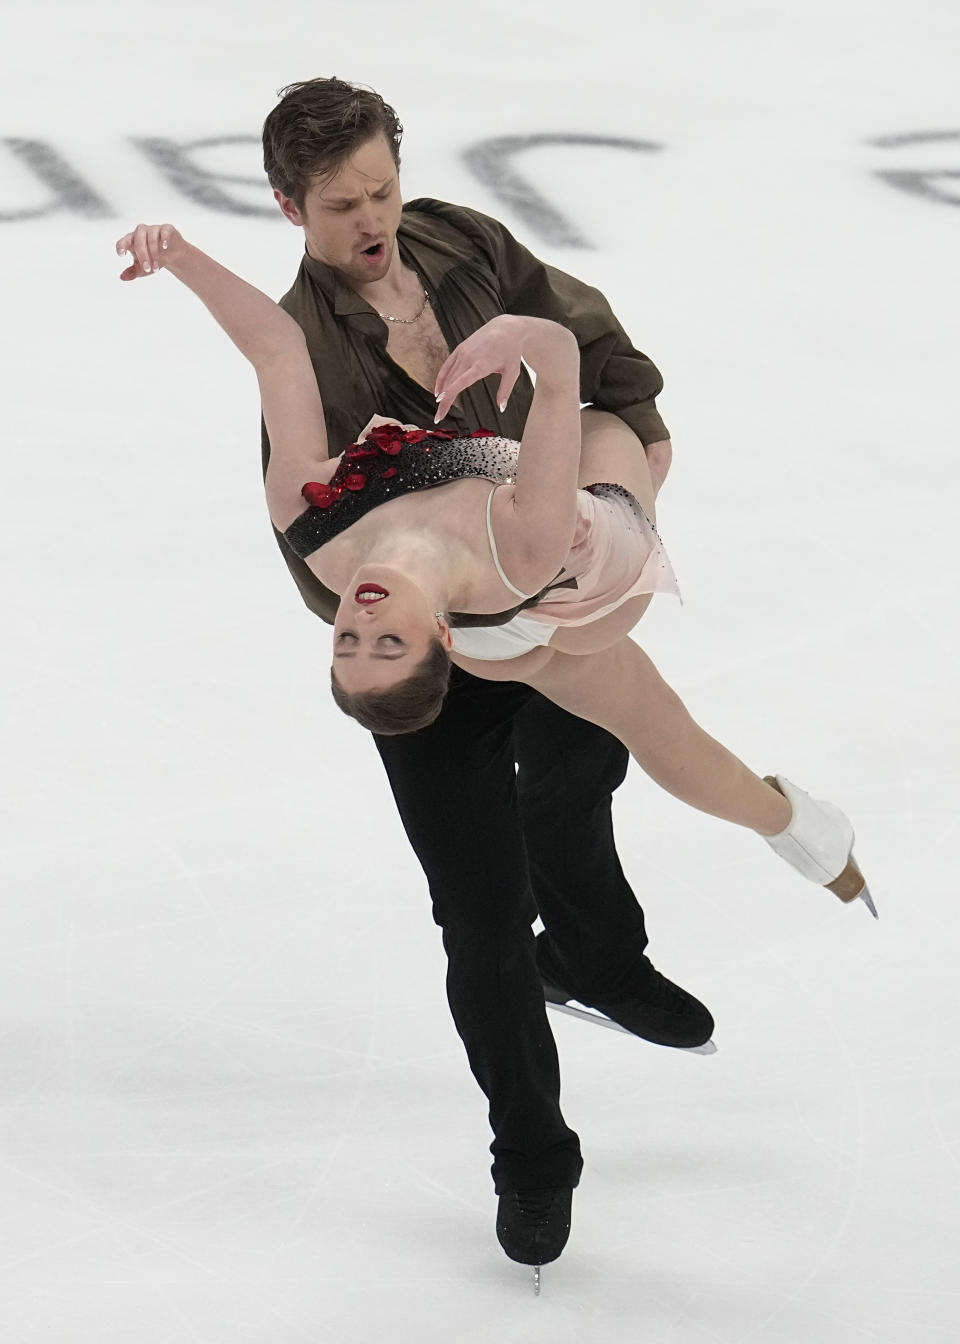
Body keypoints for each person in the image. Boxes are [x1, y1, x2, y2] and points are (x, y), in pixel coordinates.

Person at [113, 76, 713, 1274]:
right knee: (478, 919)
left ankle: (591, 953)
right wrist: (409, 619)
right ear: (290, 208)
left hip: (529, 590)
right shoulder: (312, 352)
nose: (373, 218)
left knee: (589, 754)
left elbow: (574, 323)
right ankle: (534, 1158)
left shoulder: (459, 238)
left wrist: (635, 431)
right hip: (431, 648)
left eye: (382, 188)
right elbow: (317, 554)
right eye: (342, 205)